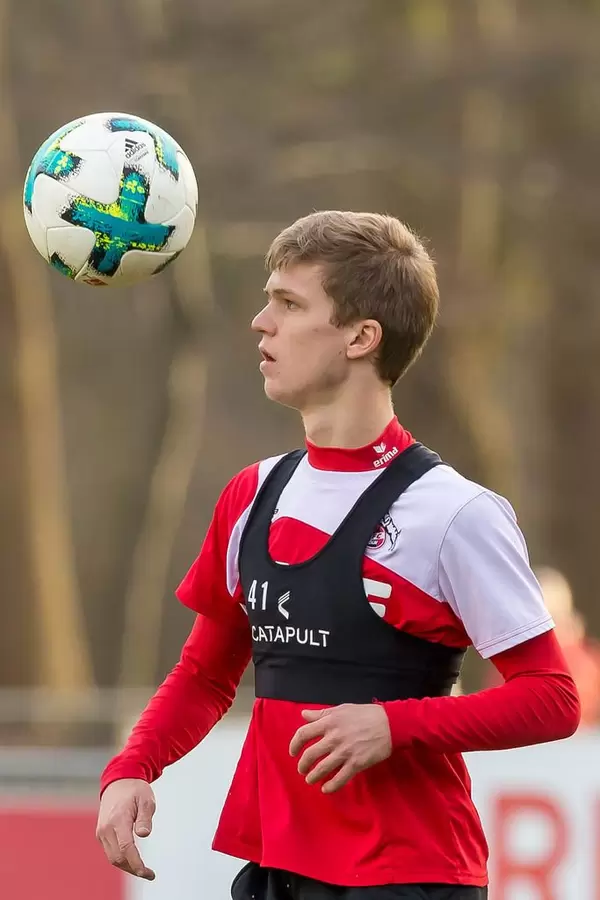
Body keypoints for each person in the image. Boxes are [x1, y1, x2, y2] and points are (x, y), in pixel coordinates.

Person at [96, 211, 581, 900]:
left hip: (408, 876)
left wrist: (395, 724)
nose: (261, 323)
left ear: (361, 336)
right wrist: (131, 767)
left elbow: (552, 700)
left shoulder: (453, 513)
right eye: (269, 300)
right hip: (275, 872)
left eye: (290, 304)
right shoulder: (251, 494)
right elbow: (207, 673)